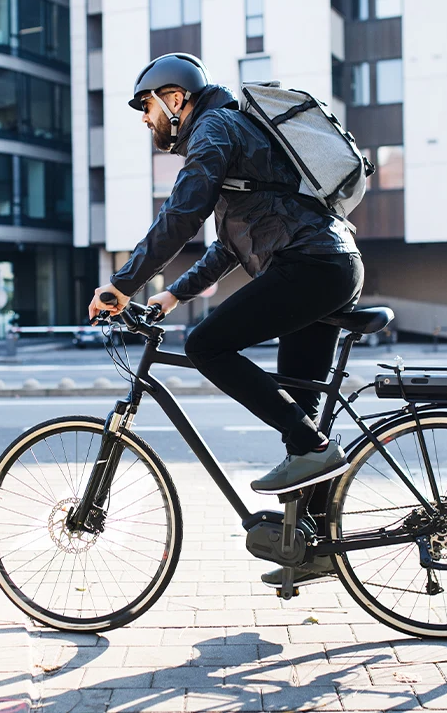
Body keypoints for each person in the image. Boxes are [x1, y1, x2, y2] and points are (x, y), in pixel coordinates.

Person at [88, 52, 364, 586]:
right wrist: (169, 296)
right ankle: (314, 548)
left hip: (310, 266)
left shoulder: (213, 128)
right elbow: (229, 245)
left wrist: (122, 284)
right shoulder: (231, 130)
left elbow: (182, 212)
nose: (146, 119)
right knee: (300, 414)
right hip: (327, 265)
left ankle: (313, 450)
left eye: (146, 106)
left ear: (175, 98)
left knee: (206, 345)